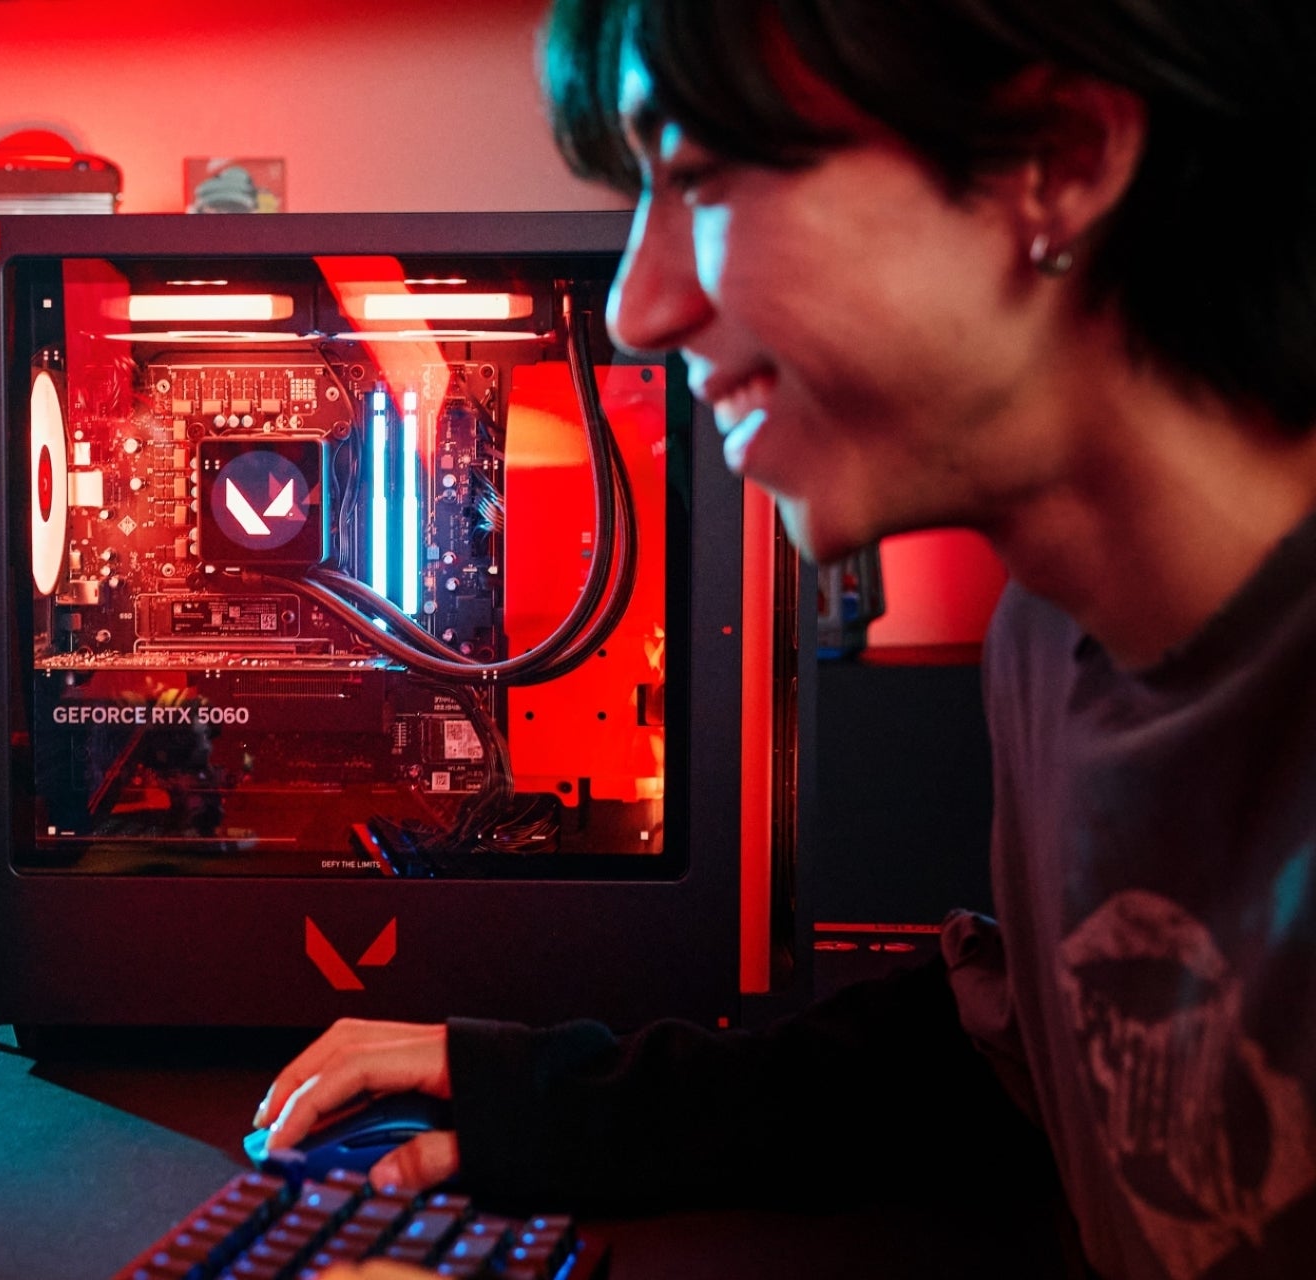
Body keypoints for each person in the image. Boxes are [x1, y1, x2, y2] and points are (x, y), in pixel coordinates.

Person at [256, 2, 1316, 1277]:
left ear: (1059, 160)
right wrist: (527, 1091)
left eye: (697, 178)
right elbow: (1009, 1057)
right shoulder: (1054, 645)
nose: (637, 310)